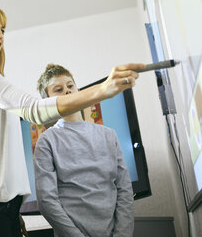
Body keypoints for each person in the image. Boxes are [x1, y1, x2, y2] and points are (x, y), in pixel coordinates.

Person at [0, 4, 143, 237]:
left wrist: (13, 210)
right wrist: (103, 89)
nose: (0, 35)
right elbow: (35, 110)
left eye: (2, 29)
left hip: (0, 207)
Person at [34, 64, 134, 237]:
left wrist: (122, 234)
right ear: (48, 102)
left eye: (70, 86)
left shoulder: (108, 135)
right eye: (58, 89)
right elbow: (47, 201)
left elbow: (124, 189)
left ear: (78, 89)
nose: (67, 91)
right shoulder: (47, 141)